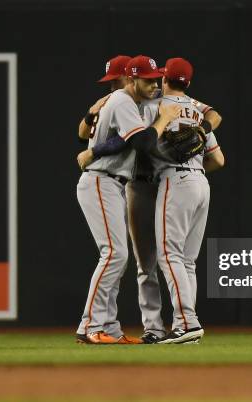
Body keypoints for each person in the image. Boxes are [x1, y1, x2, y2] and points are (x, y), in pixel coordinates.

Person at [75, 55, 182, 344]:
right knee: (114, 254)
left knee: (117, 256)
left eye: (155, 78)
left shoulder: (124, 102)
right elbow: (143, 143)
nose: (153, 84)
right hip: (101, 180)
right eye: (146, 80)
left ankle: (108, 328)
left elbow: (110, 137)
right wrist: (164, 119)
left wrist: (93, 148)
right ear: (131, 79)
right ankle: (91, 325)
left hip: (110, 181)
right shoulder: (122, 101)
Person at [142, 57, 225, 344]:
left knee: (169, 255)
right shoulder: (199, 114)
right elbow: (219, 160)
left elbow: (141, 144)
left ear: (165, 79)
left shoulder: (156, 106)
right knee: (187, 262)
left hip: (175, 181)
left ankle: (188, 322)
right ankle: (186, 327)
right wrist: (196, 171)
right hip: (201, 182)